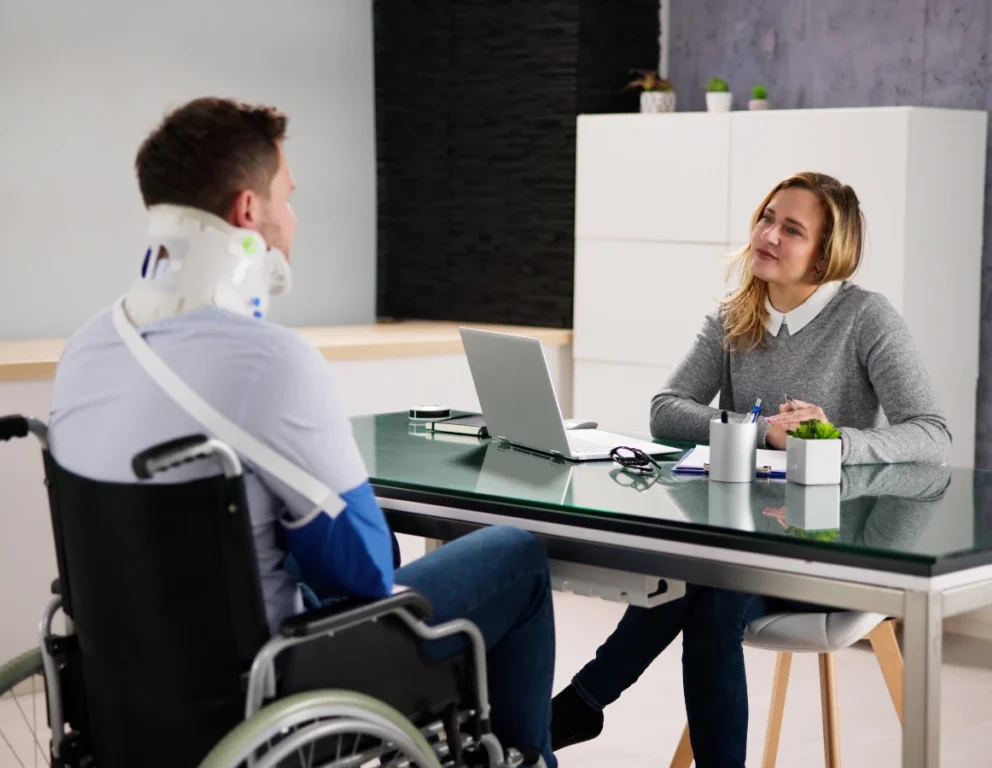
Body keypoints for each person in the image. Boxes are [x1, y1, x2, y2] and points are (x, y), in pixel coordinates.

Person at [48, 97, 557, 767]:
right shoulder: (270, 361)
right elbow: (367, 574)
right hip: (269, 684)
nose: (294, 218)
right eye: (287, 196)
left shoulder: (85, 348)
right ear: (246, 212)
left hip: (130, 680)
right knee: (514, 553)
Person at [550, 171, 950, 767]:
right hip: (743, 546)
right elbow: (666, 410)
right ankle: (581, 705)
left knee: (702, 588)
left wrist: (830, 440)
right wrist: (761, 430)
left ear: (826, 252)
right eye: (767, 218)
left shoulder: (867, 319)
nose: (768, 234)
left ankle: (579, 704)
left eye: (792, 229)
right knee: (701, 583)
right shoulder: (737, 313)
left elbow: (931, 432)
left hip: (832, 551)